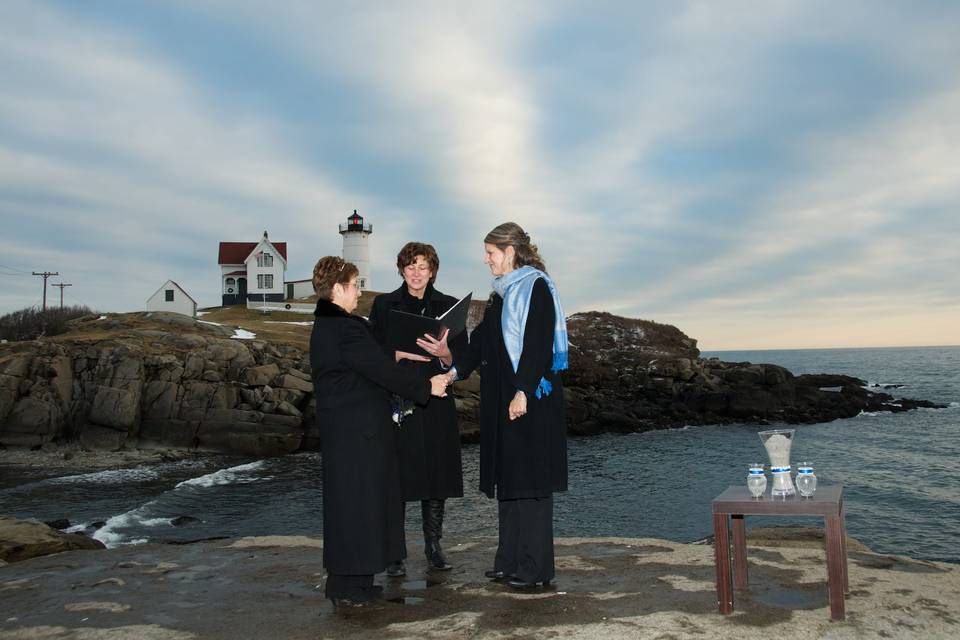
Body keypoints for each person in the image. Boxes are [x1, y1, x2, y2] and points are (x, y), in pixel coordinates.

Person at [421, 222, 568, 590]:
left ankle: (535, 571)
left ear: (510, 251)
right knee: (510, 481)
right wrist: (451, 367)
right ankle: (509, 561)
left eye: (490, 253)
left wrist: (523, 391)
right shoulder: (500, 295)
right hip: (502, 401)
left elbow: (536, 343)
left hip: (530, 400)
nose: (486, 260)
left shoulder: (535, 287)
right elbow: (481, 345)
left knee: (531, 485)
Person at [309, 256, 450, 606]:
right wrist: (426, 387)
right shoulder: (345, 328)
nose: (359, 291)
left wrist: (396, 353)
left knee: (349, 508)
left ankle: (349, 584)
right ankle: (350, 588)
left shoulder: (330, 325)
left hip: (345, 431)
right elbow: (380, 370)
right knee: (358, 508)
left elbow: (368, 361)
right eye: (355, 284)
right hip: (358, 433)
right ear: (339, 288)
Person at [368, 242, 466, 574]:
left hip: (437, 401)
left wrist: (444, 354)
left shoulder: (449, 307)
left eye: (423, 267)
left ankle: (434, 547)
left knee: (435, 476)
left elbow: (460, 363)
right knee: (396, 477)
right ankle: (395, 553)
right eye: (410, 266)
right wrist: (397, 354)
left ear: (433, 270)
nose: (416, 273)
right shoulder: (383, 305)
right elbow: (372, 355)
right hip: (398, 400)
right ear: (401, 270)